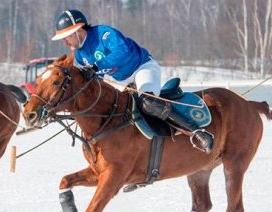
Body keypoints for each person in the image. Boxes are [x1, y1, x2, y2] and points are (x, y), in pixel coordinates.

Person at [51, 9, 214, 153]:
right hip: (119, 81)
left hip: (142, 67)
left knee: (148, 103)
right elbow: (93, 82)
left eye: (66, 37)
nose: (65, 42)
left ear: (78, 30)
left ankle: (197, 132)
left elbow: (122, 51)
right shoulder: (80, 55)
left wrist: (97, 66)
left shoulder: (104, 33)